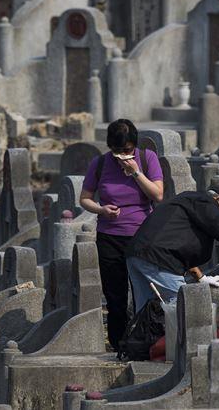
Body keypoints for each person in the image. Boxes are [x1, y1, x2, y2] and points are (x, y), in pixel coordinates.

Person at [79, 119, 164, 351]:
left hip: (141, 235)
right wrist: (101, 210)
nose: (122, 155)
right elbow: (84, 198)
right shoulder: (99, 164)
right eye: (117, 151)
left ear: (134, 147)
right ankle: (119, 344)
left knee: (144, 292)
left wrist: (135, 172)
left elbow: (157, 195)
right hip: (109, 235)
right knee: (115, 296)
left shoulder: (147, 159)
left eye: (127, 150)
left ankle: (146, 339)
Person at [125, 185, 219, 312]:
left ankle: (142, 347)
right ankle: (182, 347)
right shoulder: (205, 202)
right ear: (218, 199)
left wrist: (201, 277)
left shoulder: (188, 203)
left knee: (145, 311)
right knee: (186, 307)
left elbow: (180, 248)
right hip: (158, 258)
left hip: (138, 255)